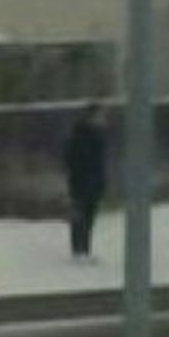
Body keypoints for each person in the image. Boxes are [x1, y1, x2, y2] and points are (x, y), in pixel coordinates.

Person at [63, 103, 108, 261]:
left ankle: (85, 249)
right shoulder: (80, 135)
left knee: (89, 218)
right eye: (100, 116)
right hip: (81, 183)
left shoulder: (98, 136)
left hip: (93, 183)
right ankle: (78, 251)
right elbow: (72, 160)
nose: (103, 119)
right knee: (79, 217)